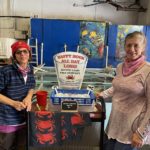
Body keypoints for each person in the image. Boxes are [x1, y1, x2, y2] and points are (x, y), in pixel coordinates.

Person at [96, 31, 150, 150]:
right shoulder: (121, 66)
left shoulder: (147, 70)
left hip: (132, 131)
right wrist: (101, 95)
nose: (132, 49)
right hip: (113, 126)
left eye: (136, 45)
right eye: (129, 45)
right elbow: (118, 87)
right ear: (124, 47)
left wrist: (141, 133)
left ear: (143, 47)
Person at [0, 41, 35, 150]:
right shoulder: (5, 71)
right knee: (6, 146)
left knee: (22, 146)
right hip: (8, 118)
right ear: (14, 56)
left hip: (24, 116)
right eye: (18, 52)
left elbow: (31, 86)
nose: (22, 54)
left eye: (25, 51)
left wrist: (29, 97)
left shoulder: (30, 69)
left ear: (29, 54)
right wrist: (13, 103)